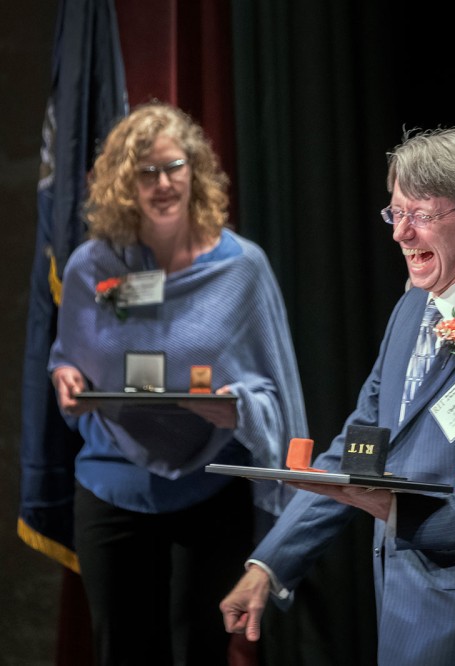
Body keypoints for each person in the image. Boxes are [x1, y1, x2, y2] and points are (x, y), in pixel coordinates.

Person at [220, 127, 455, 665]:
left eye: (422, 215)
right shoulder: (411, 309)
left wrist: (394, 510)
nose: (402, 234)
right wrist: (268, 566)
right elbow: (356, 445)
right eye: (396, 213)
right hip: (400, 603)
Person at [48, 102, 308, 665]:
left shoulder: (242, 267)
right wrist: (66, 376)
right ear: (125, 183)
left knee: (201, 651)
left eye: (173, 167)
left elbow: (278, 388)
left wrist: (238, 409)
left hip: (210, 487)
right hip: (112, 482)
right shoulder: (93, 267)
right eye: (147, 172)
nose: (163, 183)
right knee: (122, 650)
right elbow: (68, 355)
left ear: (195, 171)